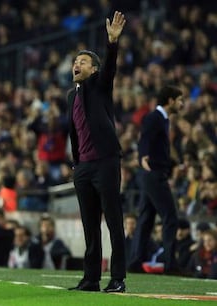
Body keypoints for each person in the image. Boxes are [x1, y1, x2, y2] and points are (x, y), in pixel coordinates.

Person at [67, 11, 127, 293]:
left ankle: (118, 278)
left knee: (113, 221)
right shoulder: (72, 95)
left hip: (105, 162)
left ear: (93, 69)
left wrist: (112, 43)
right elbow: (74, 131)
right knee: (90, 226)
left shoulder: (100, 86)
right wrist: (76, 162)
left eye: (83, 61)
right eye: (75, 61)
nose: (76, 64)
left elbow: (111, 68)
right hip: (84, 168)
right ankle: (91, 278)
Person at [128, 85, 184, 275]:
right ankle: (170, 264)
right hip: (153, 174)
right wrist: (143, 155)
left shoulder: (163, 119)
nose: (182, 103)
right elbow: (145, 139)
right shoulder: (155, 117)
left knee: (146, 218)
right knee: (170, 217)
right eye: (180, 100)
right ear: (170, 101)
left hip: (151, 173)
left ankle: (135, 262)